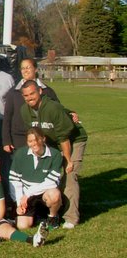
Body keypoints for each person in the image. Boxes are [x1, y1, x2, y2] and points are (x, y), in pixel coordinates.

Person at [20, 80, 87, 229]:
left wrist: (68, 160)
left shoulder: (52, 107)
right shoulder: (24, 111)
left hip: (73, 140)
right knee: (48, 174)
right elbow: (35, 135)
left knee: (70, 174)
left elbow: (64, 137)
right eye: (26, 95)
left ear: (40, 92)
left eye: (32, 93)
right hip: (52, 142)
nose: (29, 97)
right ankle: (49, 210)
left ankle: (71, 218)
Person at [9, 127, 63, 230]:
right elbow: (14, 180)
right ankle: (38, 216)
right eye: (30, 141)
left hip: (44, 193)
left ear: (43, 139)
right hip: (26, 196)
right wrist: (19, 202)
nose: (34, 143)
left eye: (37, 139)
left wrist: (28, 194)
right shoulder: (20, 154)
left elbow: (51, 182)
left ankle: (52, 217)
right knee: (22, 226)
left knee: (54, 195)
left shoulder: (55, 154)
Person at [2, 58, 60, 153]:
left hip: (42, 137)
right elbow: (7, 117)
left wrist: (71, 113)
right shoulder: (13, 92)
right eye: (23, 68)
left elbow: (58, 110)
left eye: (28, 67)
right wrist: (6, 141)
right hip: (19, 138)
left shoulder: (47, 91)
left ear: (35, 69)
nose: (25, 70)